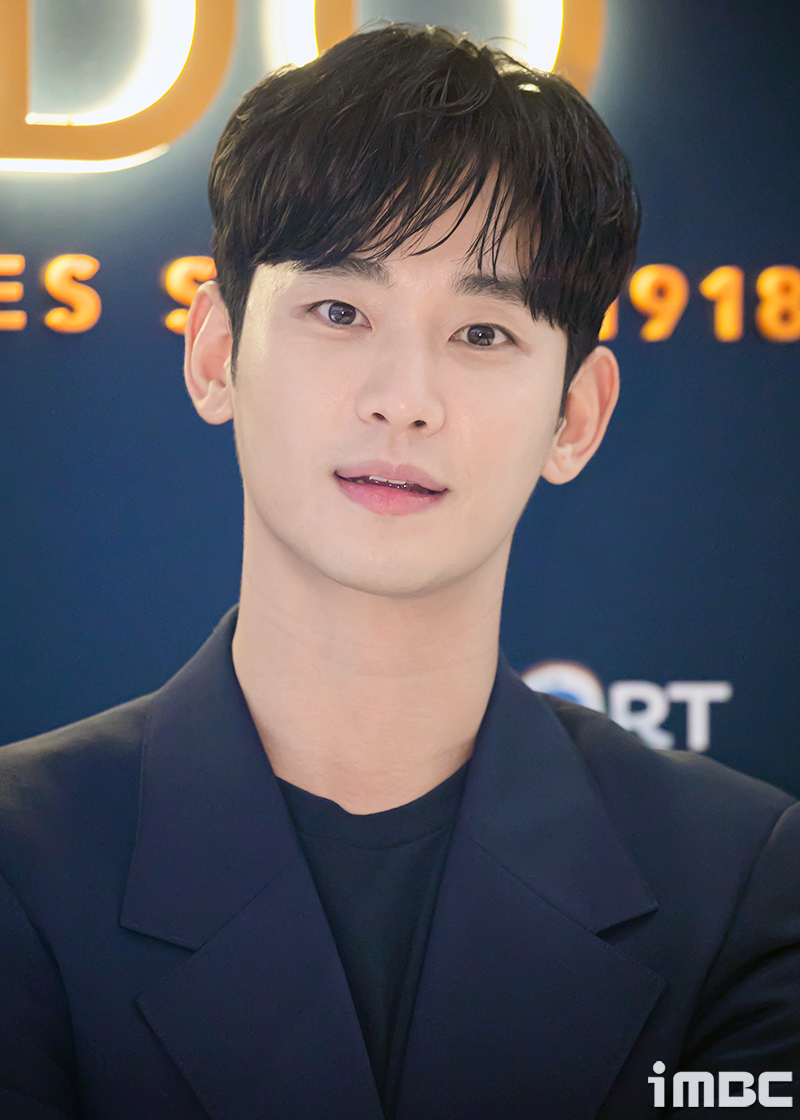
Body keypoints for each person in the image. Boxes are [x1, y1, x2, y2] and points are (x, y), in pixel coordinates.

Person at [0, 23, 798, 1120]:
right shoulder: (21, 855)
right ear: (216, 353)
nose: (403, 399)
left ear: (575, 416)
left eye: (482, 333)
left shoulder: (741, 880)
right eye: (339, 311)